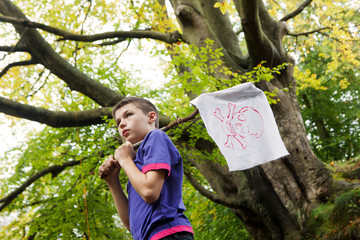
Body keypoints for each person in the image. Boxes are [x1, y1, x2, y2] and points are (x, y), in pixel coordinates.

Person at [99, 97, 194, 240]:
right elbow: (132, 226)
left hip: (169, 234)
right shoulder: (136, 169)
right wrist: (112, 181)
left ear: (151, 117)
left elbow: (149, 192)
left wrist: (124, 160)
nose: (122, 124)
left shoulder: (156, 137)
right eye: (118, 123)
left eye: (128, 115)